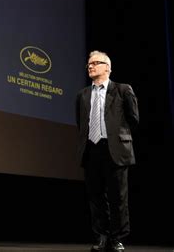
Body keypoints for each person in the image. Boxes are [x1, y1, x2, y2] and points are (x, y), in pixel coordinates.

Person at [76, 51, 139, 252]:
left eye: (95, 63)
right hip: (92, 149)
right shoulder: (83, 94)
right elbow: (81, 123)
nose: (91, 67)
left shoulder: (122, 90)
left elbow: (133, 119)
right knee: (96, 198)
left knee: (118, 197)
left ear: (107, 67)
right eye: (89, 64)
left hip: (115, 149)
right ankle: (102, 237)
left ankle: (117, 238)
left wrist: (116, 135)